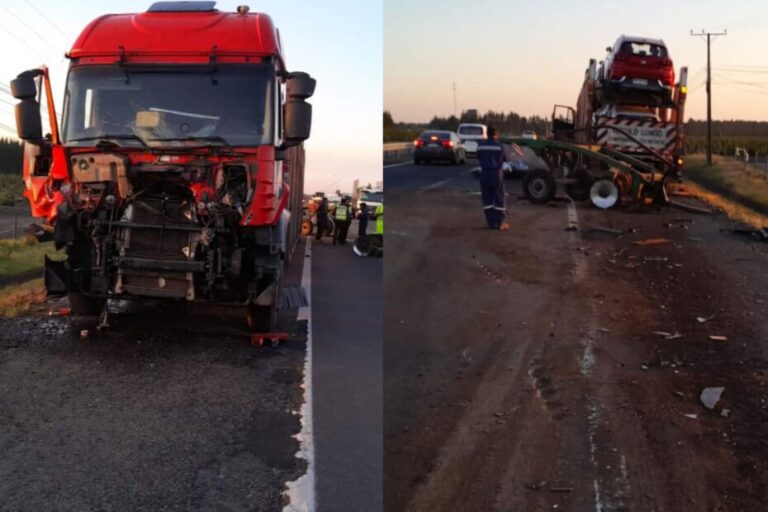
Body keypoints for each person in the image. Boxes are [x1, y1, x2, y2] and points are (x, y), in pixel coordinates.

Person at [476, 127, 509, 230]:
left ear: (487, 134)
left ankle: (490, 223)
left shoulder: (480, 146)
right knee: (499, 197)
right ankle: (499, 223)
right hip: (496, 174)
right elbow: (505, 159)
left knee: (487, 198)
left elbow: (479, 157)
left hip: (484, 174)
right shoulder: (499, 146)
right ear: (496, 134)